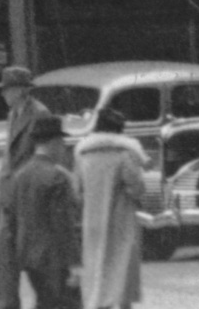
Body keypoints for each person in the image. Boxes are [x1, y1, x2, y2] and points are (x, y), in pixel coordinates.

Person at [1, 110, 81, 309]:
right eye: (62, 143)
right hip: (55, 258)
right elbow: (63, 224)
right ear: (54, 143)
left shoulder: (20, 176)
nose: (64, 149)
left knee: (44, 301)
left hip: (28, 256)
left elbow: (10, 218)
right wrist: (74, 264)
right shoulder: (57, 177)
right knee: (68, 304)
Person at [73, 107, 147, 309]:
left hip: (92, 222)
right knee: (121, 269)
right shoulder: (124, 154)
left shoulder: (83, 154)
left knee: (96, 268)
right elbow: (137, 188)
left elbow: (77, 189)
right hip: (120, 221)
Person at [0, 64, 51, 309]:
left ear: (21, 90)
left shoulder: (40, 114)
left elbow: (46, 157)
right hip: (9, 198)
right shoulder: (13, 114)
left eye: (7, 89)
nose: (3, 94)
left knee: (36, 262)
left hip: (29, 198)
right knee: (4, 259)